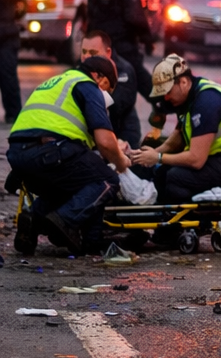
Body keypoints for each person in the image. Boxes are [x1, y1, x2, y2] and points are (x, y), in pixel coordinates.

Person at [7, 56, 129, 255]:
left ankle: (34, 220)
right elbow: (105, 142)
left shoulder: (56, 82)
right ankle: (65, 221)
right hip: (49, 151)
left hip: (19, 156)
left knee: (76, 184)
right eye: (107, 88)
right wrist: (121, 160)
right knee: (106, 179)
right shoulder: (88, 85)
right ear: (98, 77)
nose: (105, 94)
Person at [129, 54, 221, 203]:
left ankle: (198, 216)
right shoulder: (187, 98)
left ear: (183, 82)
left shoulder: (206, 101)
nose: (166, 98)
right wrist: (149, 154)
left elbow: (196, 159)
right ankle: (165, 220)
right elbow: (175, 142)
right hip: (218, 156)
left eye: (168, 92)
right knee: (161, 172)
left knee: (176, 177)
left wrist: (158, 158)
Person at [86, 0, 154, 101]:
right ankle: (164, 106)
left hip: (100, 47)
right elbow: (135, 18)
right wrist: (148, 40)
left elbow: (90, 16)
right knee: (141, 80)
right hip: (124, 47)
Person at [80, 28, 141, 148]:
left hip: (122, 131)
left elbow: (116, 106)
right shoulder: (78, 70)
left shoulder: (123, 72)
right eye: (84, 51)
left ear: (108, 53)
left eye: (92, 53)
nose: (86, 57)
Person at [0, 0, 25, 122]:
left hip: (6, 35)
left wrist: (11, 20)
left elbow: (21, 4)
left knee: (8, 75)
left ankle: (13, 114)